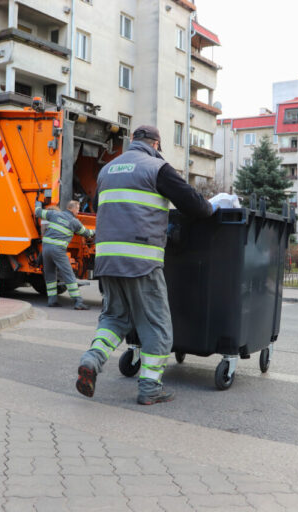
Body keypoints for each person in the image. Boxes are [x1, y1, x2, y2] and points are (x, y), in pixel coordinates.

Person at [76, 125, 216, 405]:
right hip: (141, 260)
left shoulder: (107, 170)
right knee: (157, 325)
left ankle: (92, 359)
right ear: (156, 143)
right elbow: (194, 205)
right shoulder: (156, 167)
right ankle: (150, 387)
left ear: (132, 142)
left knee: (115, 319)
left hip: (107, 259)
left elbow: (97, 205)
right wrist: (211, 209)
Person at [35, 200, 95, 310]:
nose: (78, 211)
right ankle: (78, 302)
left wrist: (38, 203)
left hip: (46, 249)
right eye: (77, 209)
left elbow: (38, 212)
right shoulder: (74, 222)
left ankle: (52, 301)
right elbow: (87, 233)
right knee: (69, 275)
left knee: (50, 276)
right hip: (58, 250)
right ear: (72, 209)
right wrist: (96, 231)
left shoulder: (54, 214)